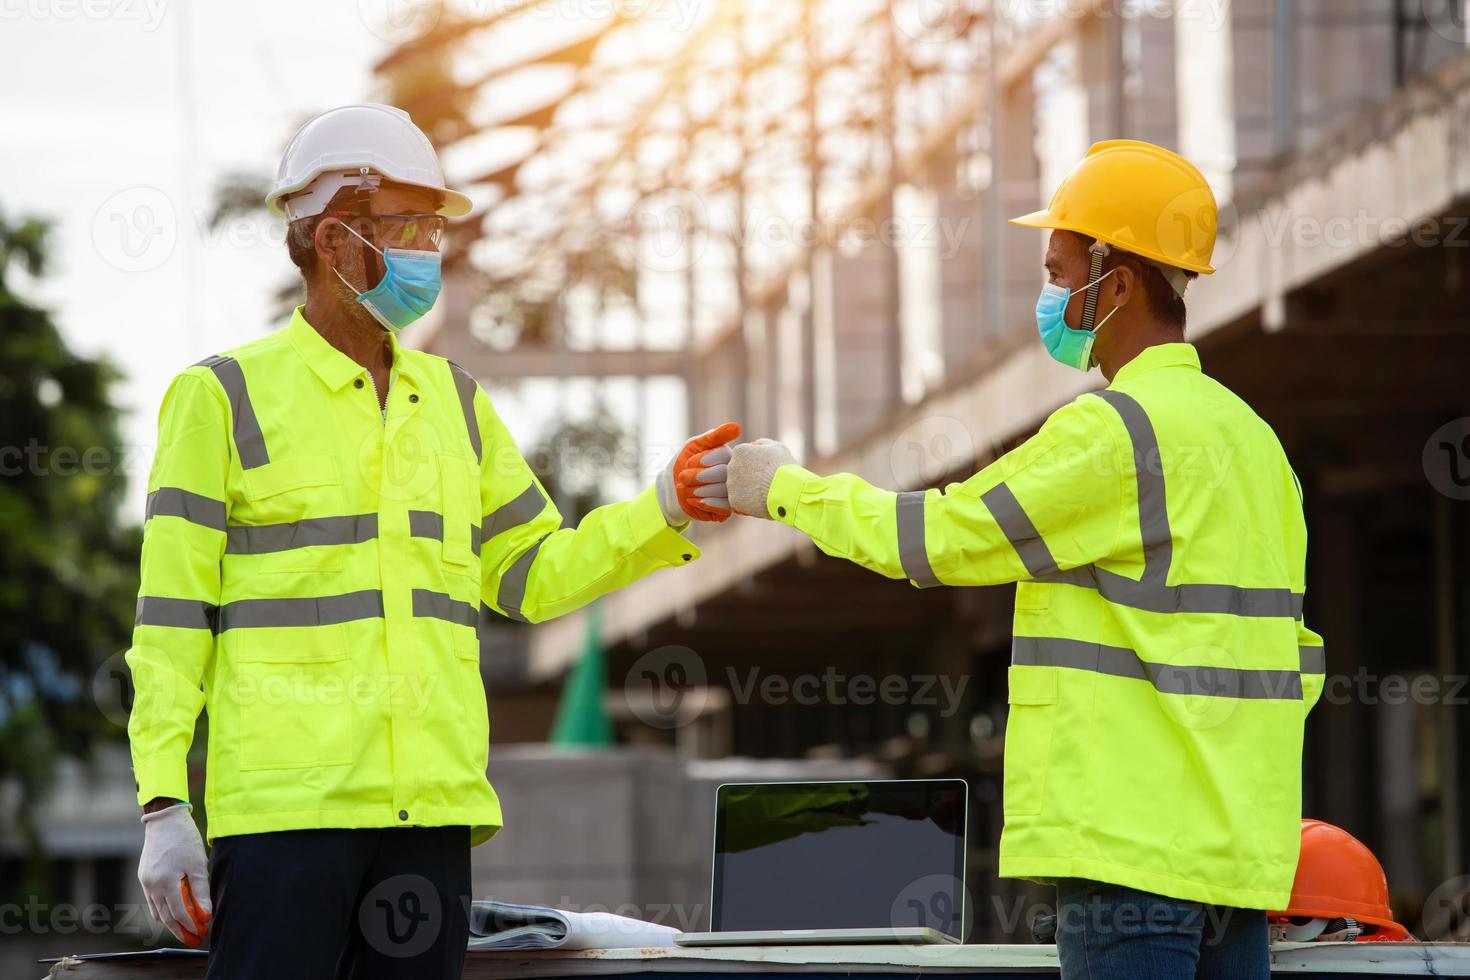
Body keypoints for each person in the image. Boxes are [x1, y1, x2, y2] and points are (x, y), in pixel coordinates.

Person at [126, 103, 738, 980]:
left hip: (429, 820)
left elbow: (531, 576)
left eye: (431, 229)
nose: (427, 250)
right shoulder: (221, 398)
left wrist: (662, 511)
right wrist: (161, 803)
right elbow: (172, 619)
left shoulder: (453, 402)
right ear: (334, 240)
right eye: (405, 226)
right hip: (285, 822)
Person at [724, 139, 1325, 980]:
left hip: (1130, 860)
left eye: (1060, 268)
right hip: (1237, 867)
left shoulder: (1115, 432)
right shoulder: (1259, 448)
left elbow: (935, 537)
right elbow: (1295, 664)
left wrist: (785, 489)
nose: (1049, 293)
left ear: (1117, 283)